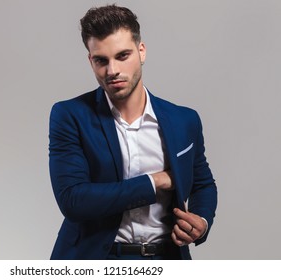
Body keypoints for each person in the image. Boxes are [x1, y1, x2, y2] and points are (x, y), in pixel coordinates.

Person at [48, 4, 217, 260]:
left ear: (141, 51)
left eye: (122, 56)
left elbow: (202, 182)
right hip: (96, 259)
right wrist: (156, 181)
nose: (112, 70)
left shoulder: (184, 120)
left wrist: (201, 221)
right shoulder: (70, 116)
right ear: (90, 61)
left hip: (166, 257)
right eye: (101, 60)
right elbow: (73, 200)